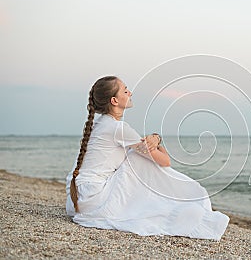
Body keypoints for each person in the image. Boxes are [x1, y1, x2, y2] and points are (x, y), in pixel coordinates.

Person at [65, 76, 229, 241]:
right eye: (125, 90)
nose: (130, 92)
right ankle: (185, 197)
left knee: (134, 154)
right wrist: (157, 140)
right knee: (137, 157)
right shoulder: (117, 128)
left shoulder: (101, 124)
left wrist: (154, 138)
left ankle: (164, 199)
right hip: (93, 200)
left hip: (77, 200)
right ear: (114, 100)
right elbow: (165, 161)